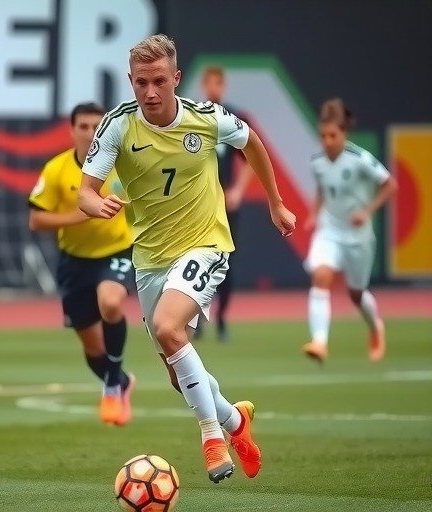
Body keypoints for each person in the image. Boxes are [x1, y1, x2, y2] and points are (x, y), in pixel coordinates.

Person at [78, 34, 296, 483]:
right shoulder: (118, 125)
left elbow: (252, 142)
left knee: (167, 327)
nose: (150, 92)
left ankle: (212, 437)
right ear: (131, 81)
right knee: (179, 374)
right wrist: (95, 204)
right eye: (141, 82)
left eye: (159, 81)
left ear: (176, 78)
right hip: (150, 259)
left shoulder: (206, 118)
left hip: (205, 244)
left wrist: (275, 203)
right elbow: (86, 191)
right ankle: (235, 420)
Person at [28, 102, 135, 426]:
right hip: (74, 262)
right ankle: (122, 380)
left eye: (96, 127)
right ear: (72, 130)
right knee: (92, 348)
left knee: (111, 302)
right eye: (83, 126)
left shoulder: (122, 164)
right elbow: (36, 220)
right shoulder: (56, 169)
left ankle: (112, 386)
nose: (90, 133)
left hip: (116, 252)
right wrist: (78, 215)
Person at [303, 98, 397, 363]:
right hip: (329, 231)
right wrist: (313, 214)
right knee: (320, 276)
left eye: (333, 135)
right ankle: (319, 342)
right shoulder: (317, 162)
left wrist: (367, 211)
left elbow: (391, 185)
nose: (327, 141)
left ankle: (375, 326)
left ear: (344, 133)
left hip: (358, 237)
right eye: (323, 136)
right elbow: (322, 189)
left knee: (356, 294)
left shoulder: (360, 159)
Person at [197, 66, 254, 340]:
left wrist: (238, 191)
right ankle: (196, 318)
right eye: (210, 83)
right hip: (198, 205)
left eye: (218, 83)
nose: (214, 88)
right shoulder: (193, 117)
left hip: (225, 205)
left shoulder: (233, 118)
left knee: (225, 262)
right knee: (197, 259)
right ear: (203, 85)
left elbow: (250, 159)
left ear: (224, 86)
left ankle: (221, 320)